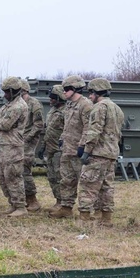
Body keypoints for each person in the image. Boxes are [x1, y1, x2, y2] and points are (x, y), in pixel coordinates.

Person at [77, 78, 125, 226]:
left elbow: (94, 131)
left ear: (97, 93)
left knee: (87, 185)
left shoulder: (99, 108)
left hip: (98, 153)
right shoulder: (117, 108)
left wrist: (86, 151)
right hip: (111, 154)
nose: (90, 97)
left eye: (91, 93)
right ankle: (106, 219)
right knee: (107, 187)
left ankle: (84, 218)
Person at [49, 75, 93, 219]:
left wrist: (83, 146)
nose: (64, 92)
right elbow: (67, 126)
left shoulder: (85, 105)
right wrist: (62, 140)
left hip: (78, 151)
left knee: (85, 182)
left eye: (66, 89)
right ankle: (66, 207)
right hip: (67, 149)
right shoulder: (68, 105)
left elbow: (88, 128)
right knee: (66, 180)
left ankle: (87, 211)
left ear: (75, 89)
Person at [0, 76, 29, 217]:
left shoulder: (18, 106)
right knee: (2, 177)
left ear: (14, 91)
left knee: (13, 176)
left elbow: (4, 125)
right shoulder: (7, 106)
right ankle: (13, 203)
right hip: (4, 146)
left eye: (7, 91)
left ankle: (20, 206)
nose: (5, 94)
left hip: (13, 147)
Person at [20, 80, 46, 212]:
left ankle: (32, 199)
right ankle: (23, 198)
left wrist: (28, 137)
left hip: (28, 142)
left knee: (24, 169)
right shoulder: (17, 104)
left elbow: (39, 125)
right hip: (18, 141)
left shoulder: (34, 104)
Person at [42, 84, 66, 207]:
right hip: (50, 149)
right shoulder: (52, 111)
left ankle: (63, 202)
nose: (50, 99)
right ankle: (58, 200)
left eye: (53, 97)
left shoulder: (66, 112)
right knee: (52, 177)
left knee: (60, 176)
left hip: (59, 150)